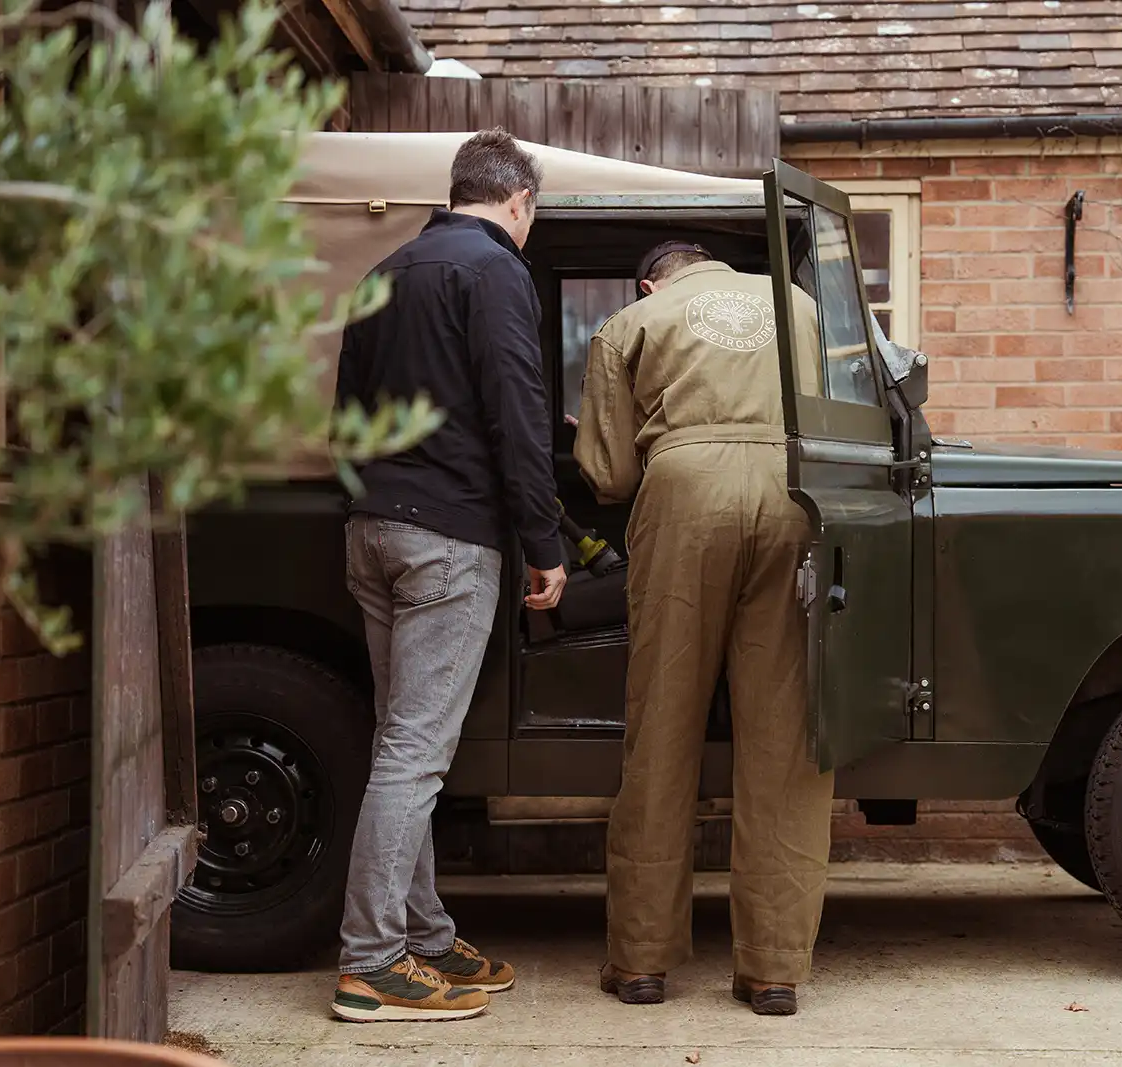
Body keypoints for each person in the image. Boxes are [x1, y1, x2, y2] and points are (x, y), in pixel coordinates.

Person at [328, 129, 567, 1023]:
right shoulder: (495, 269)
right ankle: (372, 959)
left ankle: (423, 936)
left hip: (372, 531)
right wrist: (545, 541)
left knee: (402, 743)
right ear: (518, 202)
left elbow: (345, 413)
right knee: (415, 754)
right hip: (448, 540)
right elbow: (518, 411)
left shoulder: (385, 269)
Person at [574, 241, 831, 1017]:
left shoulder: (631, 320)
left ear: (654, 279)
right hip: (795, 495)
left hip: (684, 495)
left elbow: (611, 475)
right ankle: (775, 971)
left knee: (662, 726)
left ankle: (643, 961)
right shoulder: (806, 309)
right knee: (785, 740)